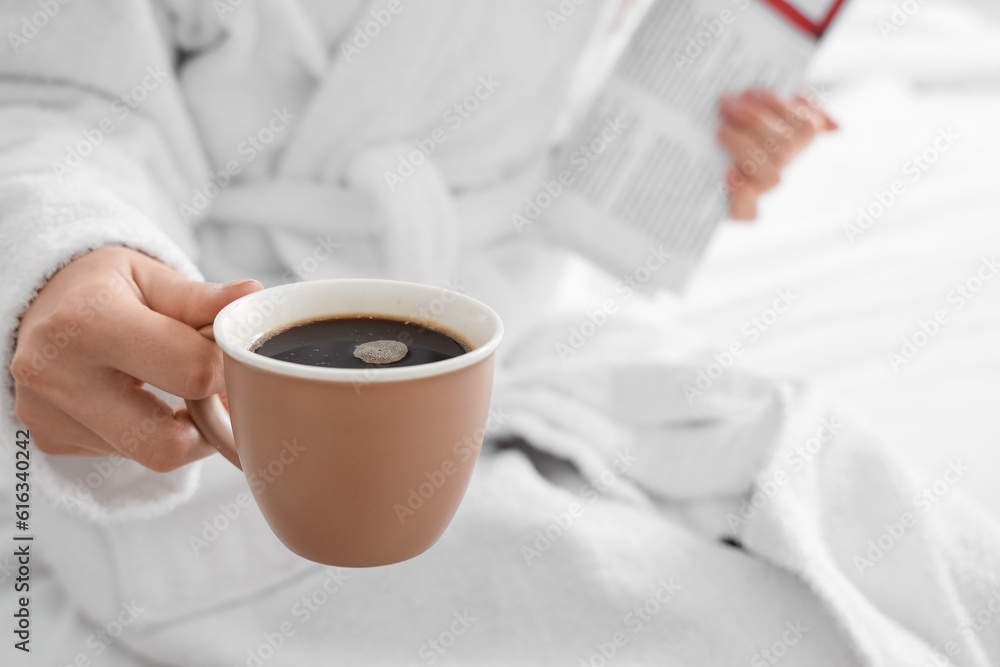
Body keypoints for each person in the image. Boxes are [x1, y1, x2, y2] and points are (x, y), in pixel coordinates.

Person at [2, 2, 997, 666]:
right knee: (726, 631)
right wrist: (74, 254)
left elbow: (537, 88)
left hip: (505, 330)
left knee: (878, 515)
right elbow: (53, 93)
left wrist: (698, 145)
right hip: (224, 386)